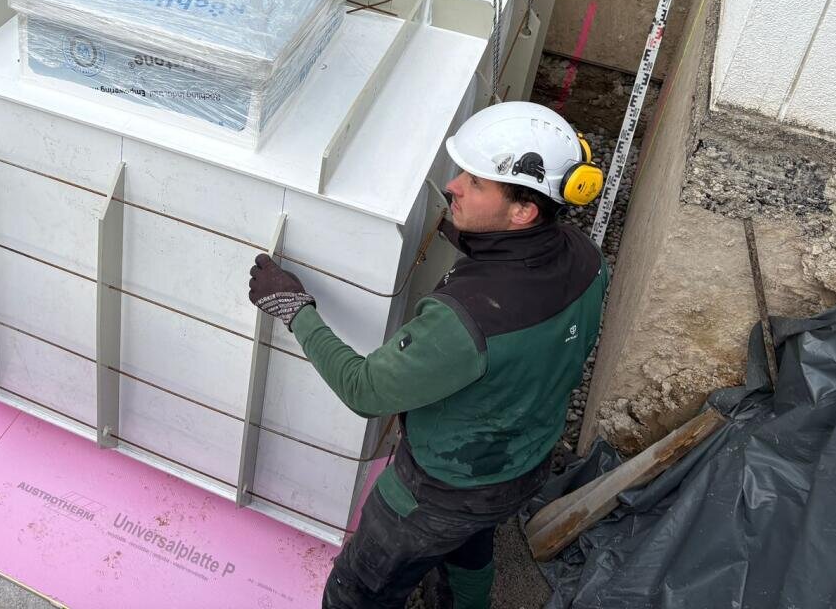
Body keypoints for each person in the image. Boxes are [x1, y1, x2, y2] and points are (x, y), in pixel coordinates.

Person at [247, 102, 608, 609]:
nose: (453, 185)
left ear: (523, 210)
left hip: (440, 491)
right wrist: (453, 226)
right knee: (470, 546)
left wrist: (294, 309)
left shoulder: (466, 320)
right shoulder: (586, 258)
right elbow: (517, 276)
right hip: (523, 463)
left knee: (359, 591)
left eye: (475, 183)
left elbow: (364, 389)